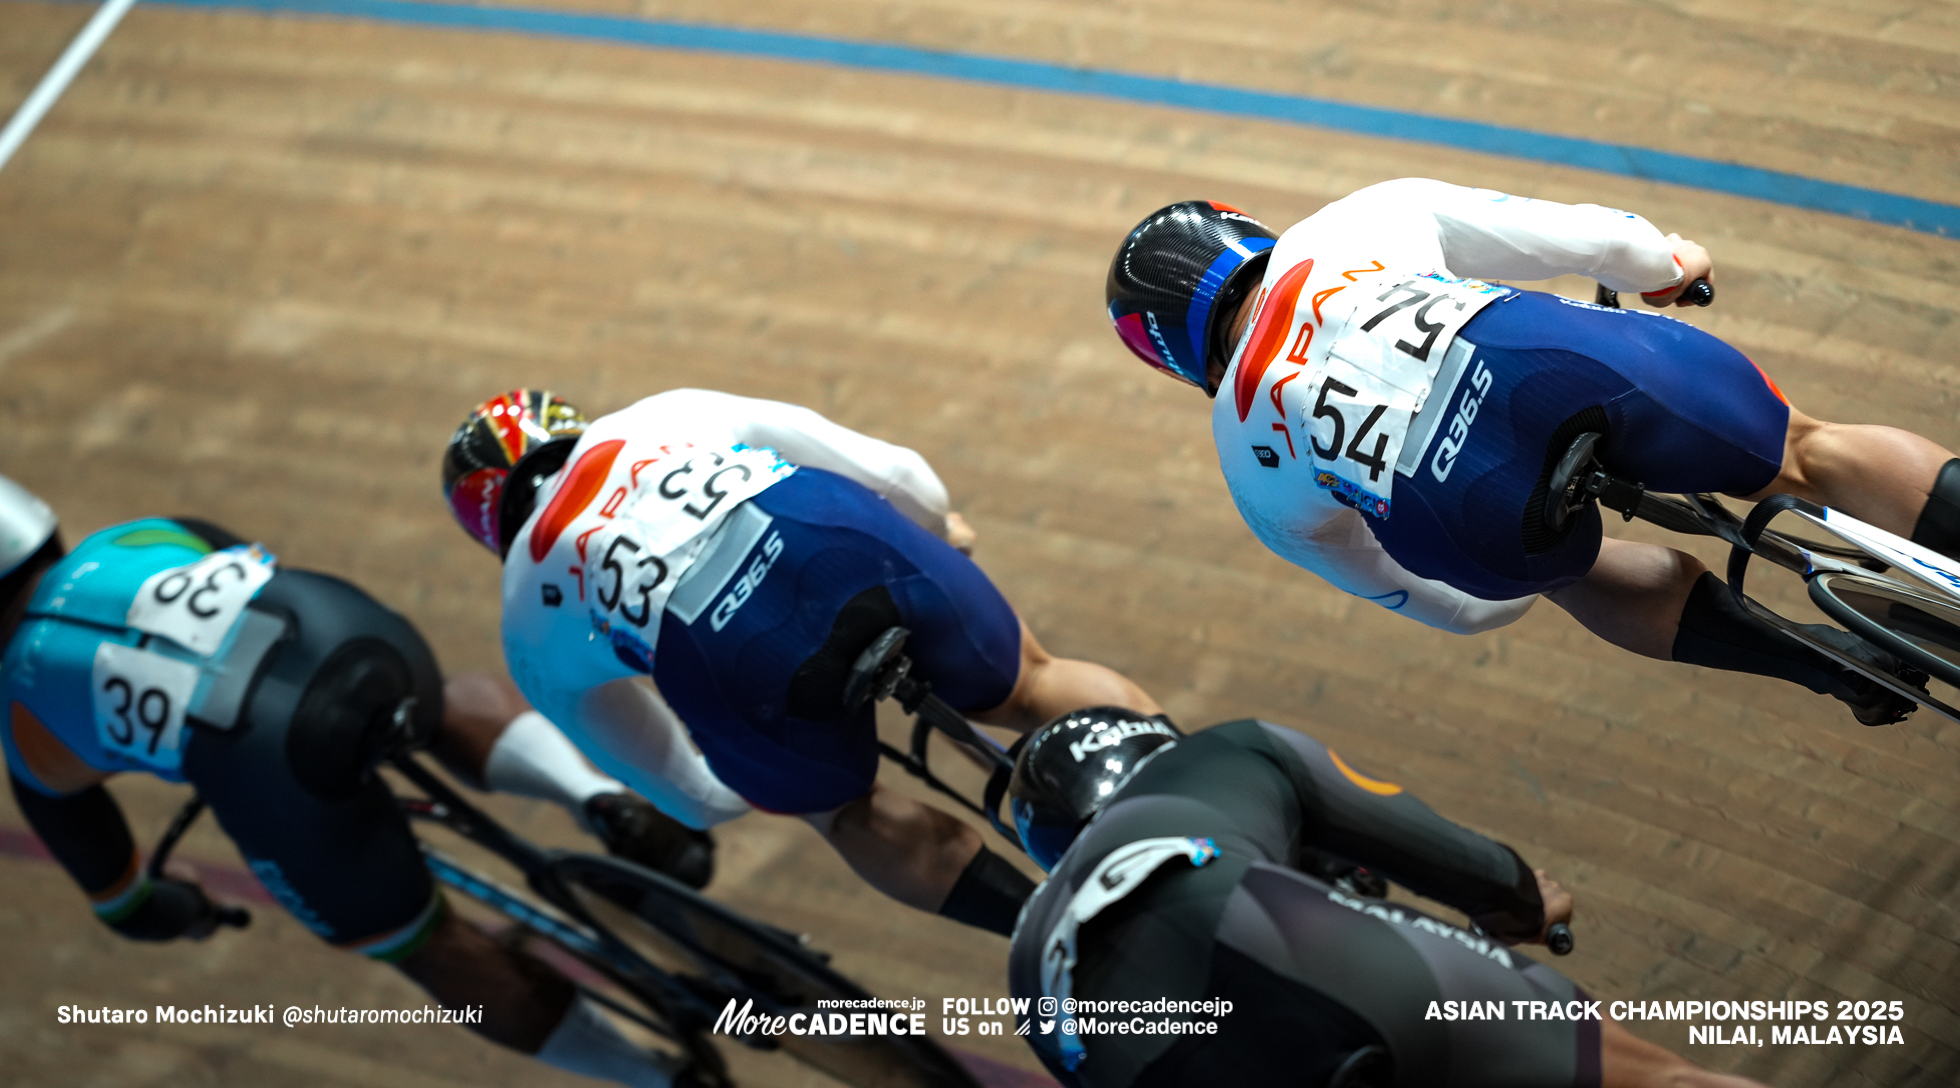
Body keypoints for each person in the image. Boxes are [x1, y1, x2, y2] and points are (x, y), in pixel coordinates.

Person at [1105, 179, 1958, 726]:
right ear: (1243, 230)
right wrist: (1665, 264)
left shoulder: (1241, 457)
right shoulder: (1351, 221)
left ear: (1175, 361)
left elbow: (1421, 596)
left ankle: (1823, 664)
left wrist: (1521, 589)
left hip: (1470, 508)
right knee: (1805, 449)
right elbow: (1577, 239)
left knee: (1567, 574)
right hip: (1548, 363)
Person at [0, 475, 700, 1088]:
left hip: (265, 763)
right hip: (343, 630)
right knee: (434, 702)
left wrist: (186, 908)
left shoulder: (23, 731)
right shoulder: (147, 531)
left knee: (427, 947)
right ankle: (598, 799)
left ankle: (658, 1077)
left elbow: (129, 907)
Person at [442, 387, 1162, 936]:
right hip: (830, 535)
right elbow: (889, 468)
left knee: (845, 811)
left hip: (729, 661)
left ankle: (1058, 933)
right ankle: (1196, 781)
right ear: (567, 422)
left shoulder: (524, 618)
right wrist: (940, 524)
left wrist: (743, 784)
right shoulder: (655, 415)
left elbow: (685, 793)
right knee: (1030, 682)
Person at [1005, 707, 1773, 1088]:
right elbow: (1437, 850)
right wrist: (1516, 900)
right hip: (1307, 959)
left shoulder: (1027, 966)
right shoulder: (1222, 755)